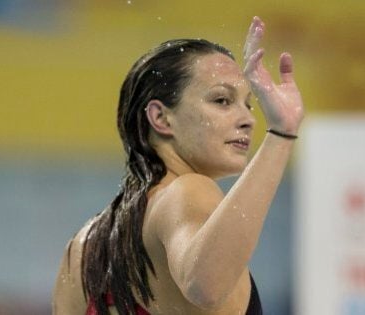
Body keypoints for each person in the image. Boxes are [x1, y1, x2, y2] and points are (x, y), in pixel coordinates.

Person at [53, 16, 304, 314]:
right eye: (222, 100)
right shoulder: (187, 191)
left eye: (247, 104)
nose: (248, 119)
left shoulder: (82, 248)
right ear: (160, 118)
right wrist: (281, 133)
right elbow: (206, 285)